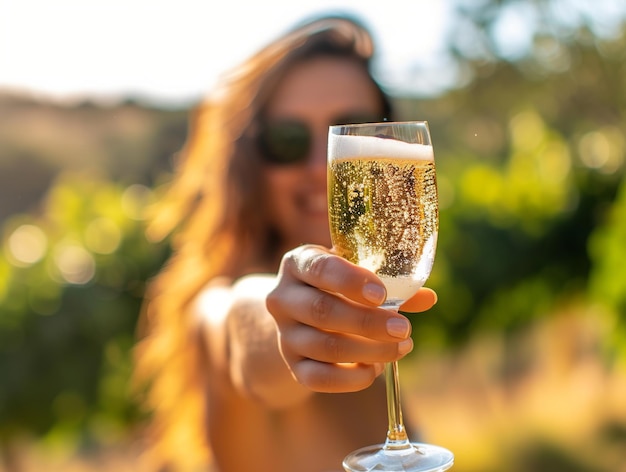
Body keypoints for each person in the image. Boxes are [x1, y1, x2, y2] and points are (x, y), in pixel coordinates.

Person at [134, 13, 438, 472]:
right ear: (252, 164)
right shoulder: (215, 309)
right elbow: (239, 328)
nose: (322, 165)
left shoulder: (362, 328)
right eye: (288, 140)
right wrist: (286, 325)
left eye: (351, 127)